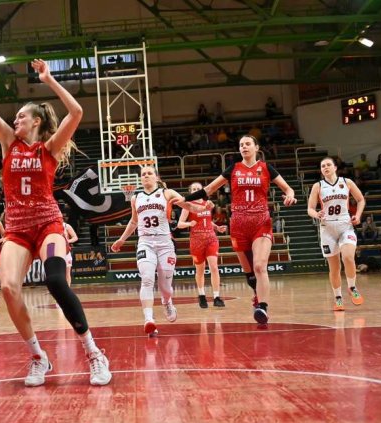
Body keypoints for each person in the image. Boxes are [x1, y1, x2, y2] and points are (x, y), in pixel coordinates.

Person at [0, 27, 111, 387]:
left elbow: (76, 110)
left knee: (56, 281)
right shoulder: (9, 144)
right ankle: (38, 356)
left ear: (36, 122)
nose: (15, 121)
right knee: (8, 287)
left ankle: (93, 352)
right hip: (18, 229)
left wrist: (49, 79)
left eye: (22, 117)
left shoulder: (49, 149)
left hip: (48, 224)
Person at [173, 135, 297, 324]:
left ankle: (262, 308)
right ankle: (256, 293)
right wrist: (186, 200)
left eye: (248, 144)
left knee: (259, 266)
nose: (244, 147)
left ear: (256, 147)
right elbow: (208, 190)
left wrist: (290, 195)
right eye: (241, 145)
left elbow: (288, 189)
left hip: (260, 222)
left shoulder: (265, 168)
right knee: (249, 273)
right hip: (238, 225)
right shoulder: (233, 169)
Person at [111, 166, 197, 336]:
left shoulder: (167, 193)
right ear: (140, 179)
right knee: (147, 279)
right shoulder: (136, 197)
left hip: (165, 243)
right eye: (143, 174)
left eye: (149, 173)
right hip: (145, 243)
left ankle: (167, 301)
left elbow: (187, 205)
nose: (146, 176)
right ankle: (149, 319)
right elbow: (134, 221)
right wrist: (122, 239)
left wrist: (200, 208)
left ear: (156, 177)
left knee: (165, 286)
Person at [307, 157, 366, 311]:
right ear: (321, 170)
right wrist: (316, 214)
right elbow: (310, 208)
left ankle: (352, 287)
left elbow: (360, 199)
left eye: (328, 165)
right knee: (334, 268)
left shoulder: (347, 182)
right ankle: (338, 298)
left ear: (335, 167)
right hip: (327, 229)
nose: (325, 167)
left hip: (345, 225)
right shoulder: (317, 186)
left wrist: (358, 216)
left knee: (348, 257)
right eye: (322, 166)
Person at [177, 182, 227, 309]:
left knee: (214, 267)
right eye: (193, 189)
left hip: (211, 238)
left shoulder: (208, 204)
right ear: (190, 191)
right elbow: (179, 224)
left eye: (198, 189)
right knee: (200, 270)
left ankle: (216, 297)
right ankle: (202, 296)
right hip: (196, 240)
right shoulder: (188, 206)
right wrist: (189, 224)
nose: (196, 190)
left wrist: (217, 227)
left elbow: (208, 221)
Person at [62, 219, 78, 285]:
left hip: (66, 252)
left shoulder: (66, 226)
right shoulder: (52, 227)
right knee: (57, 273)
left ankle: (67, 289)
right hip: (56, 252)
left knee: (67, 273)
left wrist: (68, 241)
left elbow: (75, 237)